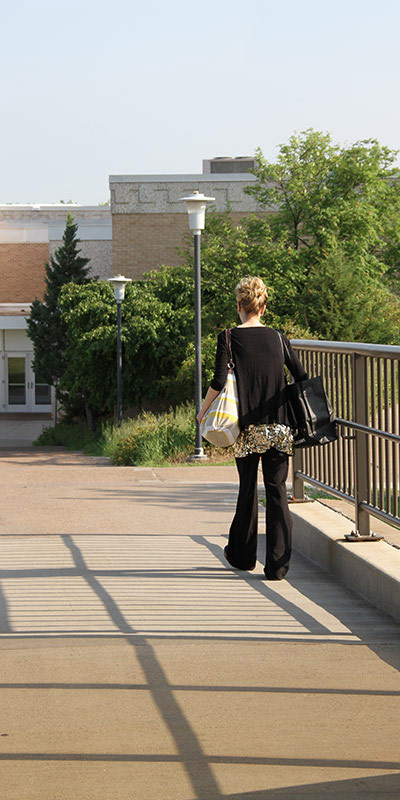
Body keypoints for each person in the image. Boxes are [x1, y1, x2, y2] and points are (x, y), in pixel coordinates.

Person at [197, 276, 307, 580]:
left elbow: (219, 381)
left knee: (247, 490)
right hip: (279, 427)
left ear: (239, 305)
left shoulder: (229, 337)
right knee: (277, 493)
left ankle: (243, 556)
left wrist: (203, 411)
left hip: (246, 430)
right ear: (264, 305)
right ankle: (277, 565)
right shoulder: (278, 337)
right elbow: (300, 375)